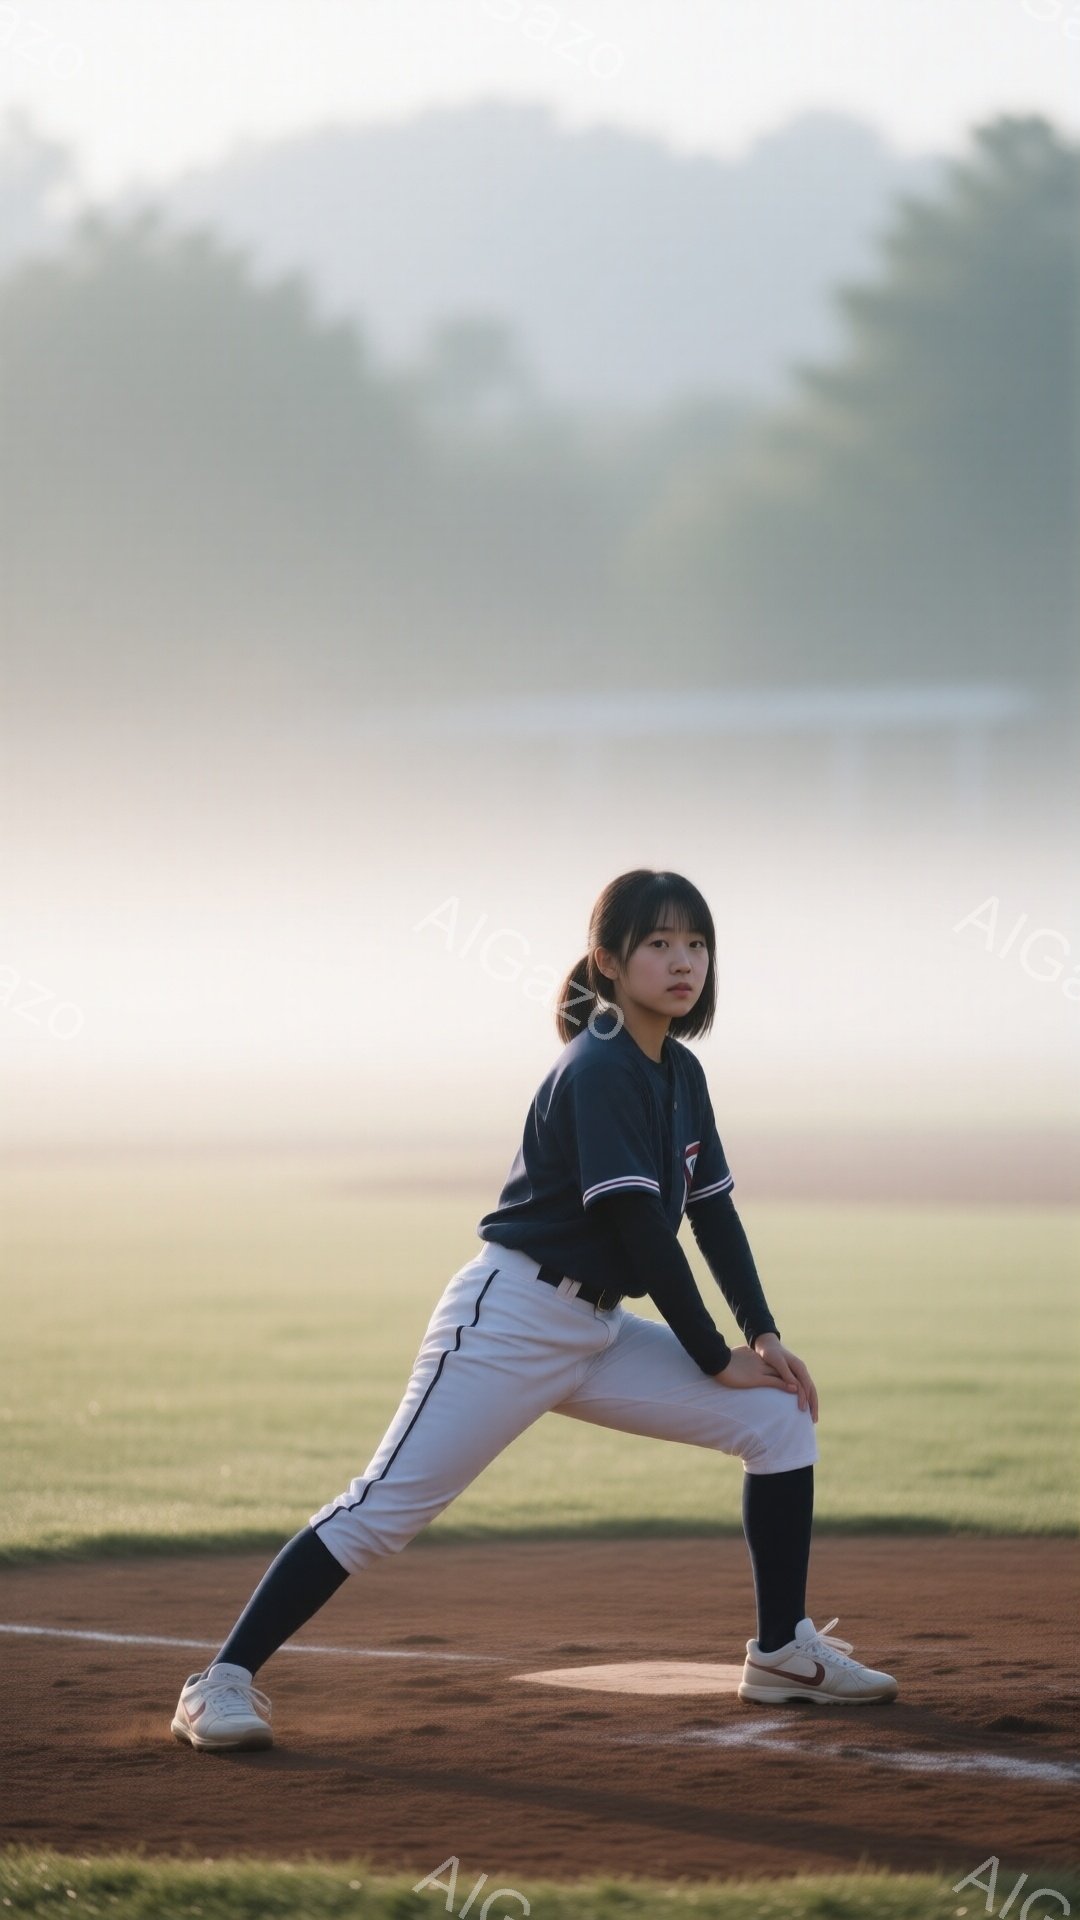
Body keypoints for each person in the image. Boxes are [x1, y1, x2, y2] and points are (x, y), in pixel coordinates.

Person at [171, 867, 897, 1751]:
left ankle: (782, 1652)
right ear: (609, 957)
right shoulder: (598, 1063)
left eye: (696, 944)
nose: (683, 962)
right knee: (385, 1509)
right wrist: (712, 1356)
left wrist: (764, 1337)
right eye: (659, 943)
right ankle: (220, 1682)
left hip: (593, 1331)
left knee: (779, 1416)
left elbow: (711, 1211)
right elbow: (639, 1231)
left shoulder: (681, 1071)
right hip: (509, 1318)